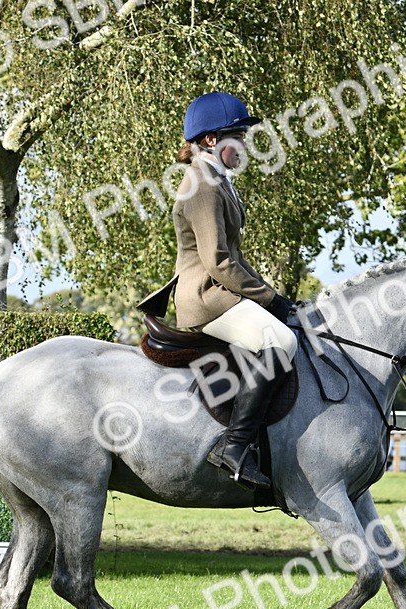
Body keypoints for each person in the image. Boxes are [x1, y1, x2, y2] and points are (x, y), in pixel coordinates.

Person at [137, 92, 296, 490]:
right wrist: (269, 300)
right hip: (207, 297)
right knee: (281, 340)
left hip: (222, 292)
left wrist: (272, 294)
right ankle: (234, 445)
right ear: (211, 141)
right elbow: (219, 262)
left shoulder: (216, 180)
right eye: (237, 136)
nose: (244, 145)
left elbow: (236, 258)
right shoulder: (201, 186)